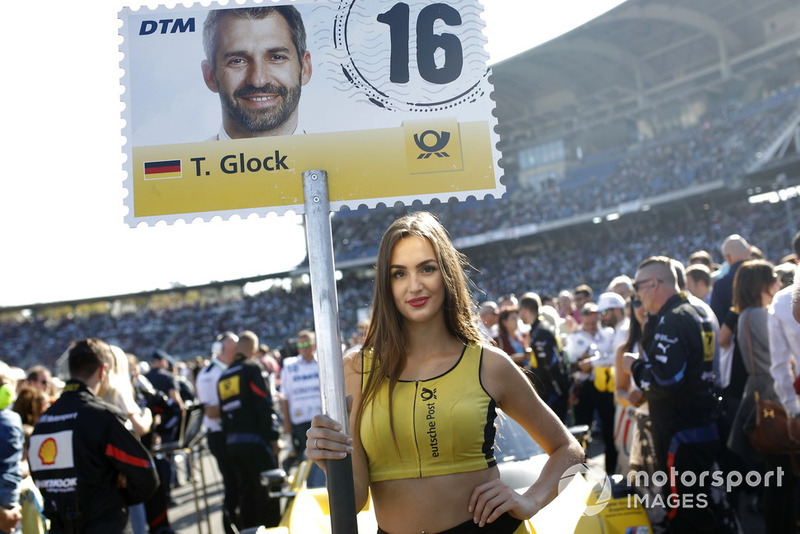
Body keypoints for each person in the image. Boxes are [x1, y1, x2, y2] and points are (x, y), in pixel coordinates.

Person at [306, 212, 584, 533]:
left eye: (427, 268)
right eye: (399, 273)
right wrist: (329, 464)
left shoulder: (489, 363)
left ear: (447, 273)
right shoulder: (357, 368)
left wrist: (530, 500)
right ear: (385, 283)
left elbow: (569, 451)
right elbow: (354, 500)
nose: (414, 285)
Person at [623, 257, 736, 533]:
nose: (635, 294)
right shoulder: (697, 310)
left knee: (684, 508)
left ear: (654, 284)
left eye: (638, 286)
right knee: (701, 501)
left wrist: (635, 367)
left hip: (680, 430)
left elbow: (665, 379)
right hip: (702, 422)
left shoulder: (672, 319)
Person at [28, 338, 158, 534]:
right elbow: (146, 475)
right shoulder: (103, 417)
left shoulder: (43, 422)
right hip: (102, 524)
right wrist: (116, 497)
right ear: (103, 371)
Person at [726, 260, 790, 533]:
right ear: (761, 284)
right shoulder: (760, 315)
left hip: (762, 393)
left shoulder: (749, 314)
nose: (778, 284)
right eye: (774, 279)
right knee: (782, 477)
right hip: (773, 397)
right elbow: (783, 357)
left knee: (777, 476)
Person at [201, 6, 312, 140]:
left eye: (277, 57)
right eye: (237, 61)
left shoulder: (339, 158)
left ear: (305, 68)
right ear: (210, 76)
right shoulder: (185, 160)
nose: (258, 80)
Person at [218, 330, 281, 529]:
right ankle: (272, 530)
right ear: (254, 350)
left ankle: (248, 530)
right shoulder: (253, 368)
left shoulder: (224, 375)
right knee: (269, 489)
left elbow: (224, 414)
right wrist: (273, 438)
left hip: (233, 444)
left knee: (246, 494)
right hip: (256, 442)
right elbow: (264, 404)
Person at [194, 332, 239, 534]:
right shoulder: (209, 374)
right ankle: (230, 527)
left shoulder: (228, 369)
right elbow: (211, 411)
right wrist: (241, 406)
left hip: (231, 432)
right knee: (232, 485)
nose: (236, 353)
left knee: (239, 483)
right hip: (220, 435)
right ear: (220, 350)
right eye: (232, 349)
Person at [518, 292, 570, 422]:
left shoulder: (541, 332)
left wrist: (561, 394)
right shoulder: (536, 329)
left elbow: (552, 365)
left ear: (524, 310)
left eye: (519, 311)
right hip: (547, 392)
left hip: (552, 395)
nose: (519, 315)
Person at [280, 330, 321, 464]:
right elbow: (284, 396)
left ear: (314, 345)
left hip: (321, 418)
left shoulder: (322, 364)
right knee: (307, 458)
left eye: (307, 344)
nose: (304, 348)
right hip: (300, 420)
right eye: (301, 345)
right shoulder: (289, 366)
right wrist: (286, 422)